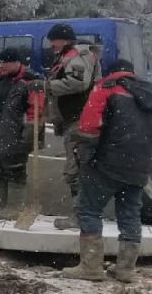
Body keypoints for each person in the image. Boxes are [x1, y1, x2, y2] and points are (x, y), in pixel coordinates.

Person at [63, 58, 152, 282]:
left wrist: (85, 157)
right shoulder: (148, 92)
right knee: (131, 214)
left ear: (113, 72)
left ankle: (91, 267)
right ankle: (126, 269)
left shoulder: (105, 88)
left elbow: (88, 127)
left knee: (89, 210)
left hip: (107, 164)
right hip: (139, 167)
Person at [40, 23, 100, 228]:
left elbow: (78, 83)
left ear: (64, 39)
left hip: (80, 120)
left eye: (53, 40)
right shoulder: (67, 56)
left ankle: (81, 217)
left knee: (77, 169)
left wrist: (47, 86)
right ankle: (83, 215)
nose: (51, 44)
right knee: (76, 168)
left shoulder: (78, 55)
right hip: (72, 119)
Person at [0, 47, 37, 219]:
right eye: (0, 61)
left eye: (5, 62)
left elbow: (36, 111)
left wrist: (29, 135)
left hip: (14, 134)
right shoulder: (0, 80)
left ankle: (15, 208)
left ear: (17, 62)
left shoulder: (29, 81)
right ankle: (3, 205)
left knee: (14, 168)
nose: (1, 65)